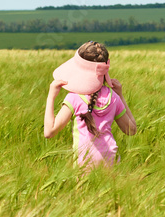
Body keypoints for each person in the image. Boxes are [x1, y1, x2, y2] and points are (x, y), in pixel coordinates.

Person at [43, 41, 137, 169]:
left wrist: (51, 96)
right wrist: (120, 95)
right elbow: (131, 130)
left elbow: (49, 132)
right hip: (111, 161)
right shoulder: (113, 97)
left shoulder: (74, 98)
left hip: (84, 164)